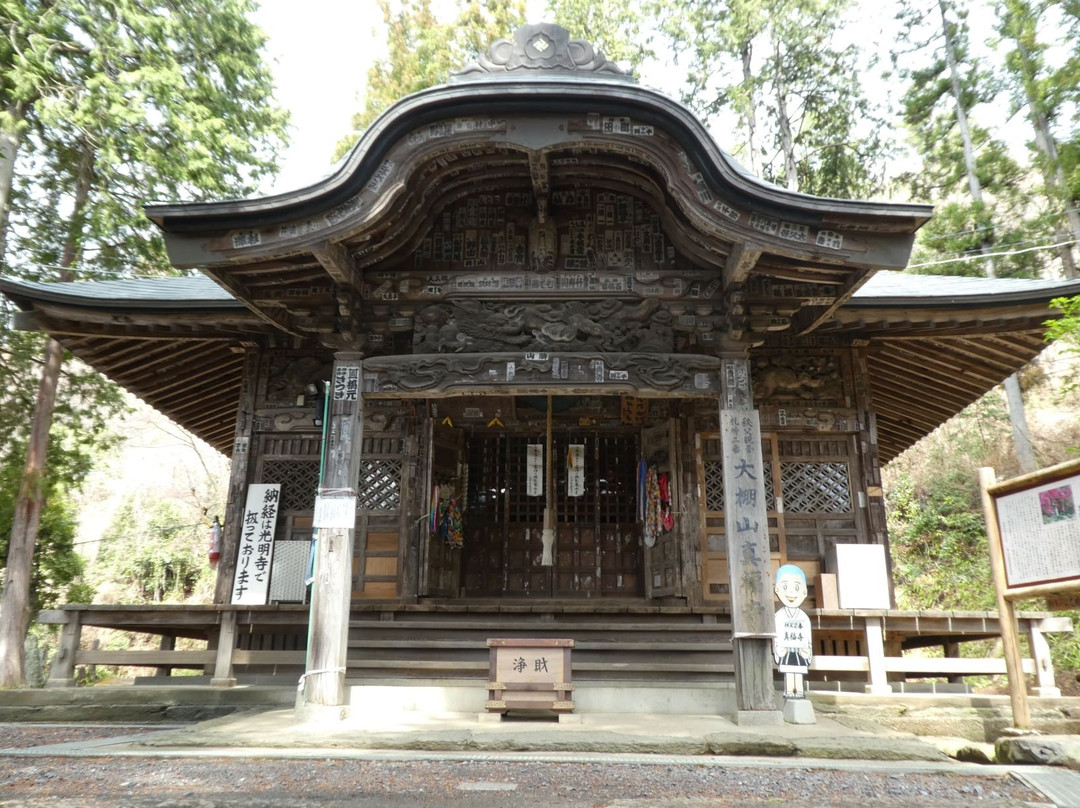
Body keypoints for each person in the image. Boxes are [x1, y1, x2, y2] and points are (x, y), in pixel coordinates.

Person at [773, 564, 812, 699]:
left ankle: (799, 691)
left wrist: (807, 650)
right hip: (786, 652)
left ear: (804, 591)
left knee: (798, 670)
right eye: (785, 587)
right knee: (789, 672)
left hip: (799, 652)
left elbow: (807, 638)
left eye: (796, 588)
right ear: (777, 589)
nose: (791, 593)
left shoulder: (803, 618)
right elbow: (776, 637)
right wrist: (779, 649)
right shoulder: (779, 616)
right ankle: (789, 690)